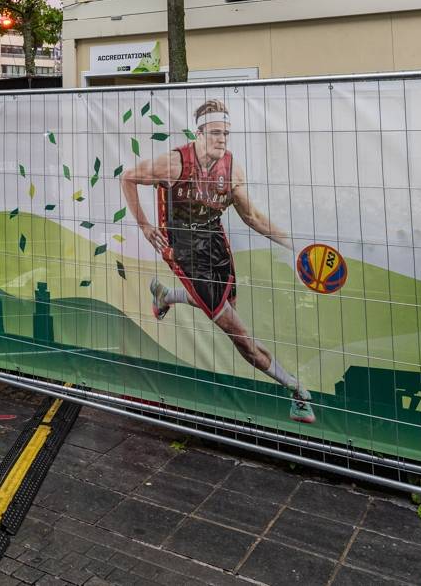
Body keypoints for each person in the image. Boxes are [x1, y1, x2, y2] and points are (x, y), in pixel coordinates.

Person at [122, 98, 315, 424]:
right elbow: (128, 177)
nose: (222, 139)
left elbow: (253, 217)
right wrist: (144, 225)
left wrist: (294, 245)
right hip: (186, 254)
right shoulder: (174, 164)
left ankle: (166, 296)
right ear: (198, 133)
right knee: (240, 335)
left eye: (225, 133)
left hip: (216, 246)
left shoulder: (231, 169)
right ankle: (296, 391)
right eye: (214, 133)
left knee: (227, 310)